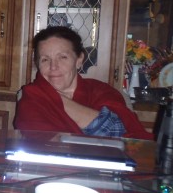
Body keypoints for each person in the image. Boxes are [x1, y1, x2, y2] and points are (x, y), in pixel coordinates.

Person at [14, 26, 153, 140]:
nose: (53, 67)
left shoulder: (102, 91)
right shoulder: (31, 96)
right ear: (38, 64)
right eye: (45, 59)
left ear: (79, 59)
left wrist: (56, 99)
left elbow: (118, 132)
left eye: (62, 57)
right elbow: (39, 144)